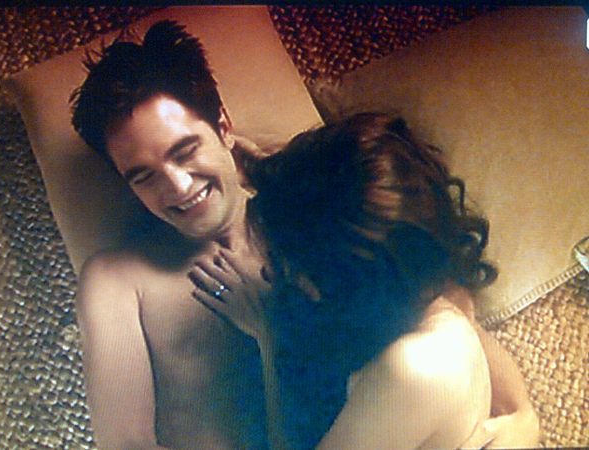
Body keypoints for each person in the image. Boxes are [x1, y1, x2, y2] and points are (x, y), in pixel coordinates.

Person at [70, 20, 537, 450]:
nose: (177, 186)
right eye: (143, 176)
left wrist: (521, 414)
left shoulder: (310, 209)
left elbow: (435, 296)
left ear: (224, 126)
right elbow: (124, 445)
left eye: (185, 151)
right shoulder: (115, 281)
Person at [189, 113, 540, 449]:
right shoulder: (420, 277)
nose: (274, 271)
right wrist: (524, 414)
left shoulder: (412, 368)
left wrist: (266, 335)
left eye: (282, 259)